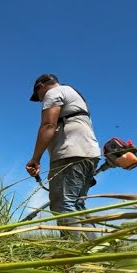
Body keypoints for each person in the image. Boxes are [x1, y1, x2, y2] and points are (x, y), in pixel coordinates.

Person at [27, 73, 102, 236]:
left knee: (62, 205)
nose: (40, 100)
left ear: (41, 86)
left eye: (38, 96)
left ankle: (72, 250)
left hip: (70, 153)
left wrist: (35, 159)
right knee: (77, 205)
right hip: (90, 153)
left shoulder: (53, 93)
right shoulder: (75, 95)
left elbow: (48, 125)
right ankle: (95, 248)